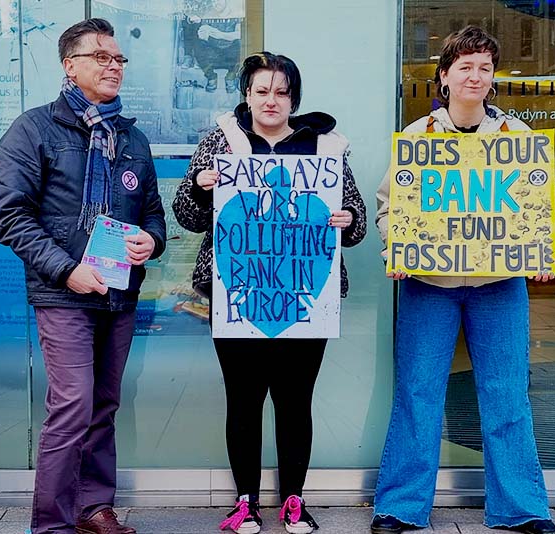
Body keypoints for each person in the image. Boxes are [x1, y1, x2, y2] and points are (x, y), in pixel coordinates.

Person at [372, 26, 555, 534]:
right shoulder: (418, 138)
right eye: (465, 66)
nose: (475, 76)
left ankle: (522, 509)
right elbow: (389, 208)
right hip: (428, 284)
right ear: (445, 77)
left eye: (484, 67)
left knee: (507, 393)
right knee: (417, 391)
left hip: (498, 285)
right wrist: (397, 246)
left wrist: (543, 251)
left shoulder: (517, 140)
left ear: (493, 79)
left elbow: (534, 210)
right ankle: (399, 507)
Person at [173, 51, 367, 534]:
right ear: (246, 95)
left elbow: (357, 220)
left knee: (295, 400)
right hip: (237, 294)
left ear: (294, 98)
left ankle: (293, 499)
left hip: (304, 296)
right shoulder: (222, 142)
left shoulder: (325, 147)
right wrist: (200, 186)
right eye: (261, 90)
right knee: (243, 400)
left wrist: (346, 221)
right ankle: (244, 502)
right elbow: (188, 216)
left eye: (281, 91)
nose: (271, 100)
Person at [0, 18, 166, 534]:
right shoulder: (33, 129)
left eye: (119, 60)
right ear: (70, 66)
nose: (114, 66)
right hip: (62, 292)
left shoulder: (132, 139)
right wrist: (67, 271)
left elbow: (152, 212)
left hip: (119, 294)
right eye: (101, 57)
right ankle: (51, 524)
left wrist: (151, 240)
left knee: (105, 404)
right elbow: (9, 217)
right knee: (72, 405)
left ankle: (94, 507)